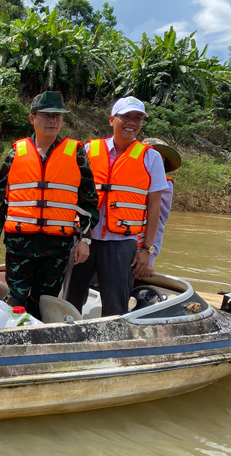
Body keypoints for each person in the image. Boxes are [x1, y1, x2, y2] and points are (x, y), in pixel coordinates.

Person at [0, 91, 99, 320]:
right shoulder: (15, 153)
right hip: (20, 243)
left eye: (58, 116)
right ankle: (13, 339)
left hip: (56, 245)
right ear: (32, 118)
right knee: (17, 298)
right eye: (47, 115)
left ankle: (38, 340)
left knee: (46, 299)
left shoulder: (76, 152)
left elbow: (88, 200)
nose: (53, 121)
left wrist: (85, 240)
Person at [64, 96, 168, 316]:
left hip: (122, 245)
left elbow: (155, 207)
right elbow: (72, 194)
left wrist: (146, 249)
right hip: (84, 239)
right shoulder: (90, 150)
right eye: (126, 117)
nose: (132, 122)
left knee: (115, 306)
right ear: (112, 120)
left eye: (138, 118)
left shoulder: (151, 158)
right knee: (70, 300)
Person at [141, 138, 182, 266]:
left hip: (147, 239)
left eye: (159, 157)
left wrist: (148, 249)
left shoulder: (165, 183)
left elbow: (158, 217)